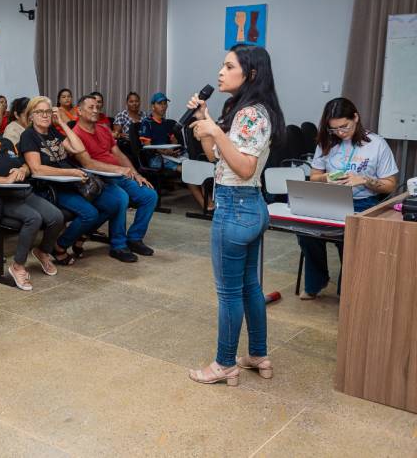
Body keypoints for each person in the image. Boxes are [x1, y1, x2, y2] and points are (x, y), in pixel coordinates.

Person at [185, 43, 286, 386]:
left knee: (229, 293)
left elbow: (244, 168)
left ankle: (224, 363)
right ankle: (258, 354)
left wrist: (215, 130)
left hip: (235, 206)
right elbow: (216, 156)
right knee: (249, 287)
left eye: (229, 66)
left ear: (251, 73)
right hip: (250, 206)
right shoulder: (242, 109)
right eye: (222, 65)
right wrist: (205, 120)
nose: (220, 72)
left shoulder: (251, 114)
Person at [297, 97, 398, 300]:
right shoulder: (327, 141)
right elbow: (314, 177)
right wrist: (326, 177)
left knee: (351, 235)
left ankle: (348, 288)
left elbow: (390, 184)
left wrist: (365, 180)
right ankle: (317, 280)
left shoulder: (376, 144)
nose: (340, 133)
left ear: (356, 118)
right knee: (306, 231)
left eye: (345, 127)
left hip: (363, 202)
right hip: (331, 200)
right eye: (334, 129)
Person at [0, 108, 64, 290]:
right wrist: (5, 180)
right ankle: (18, 266)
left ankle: (42, 252)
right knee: (33, 218)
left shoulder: (7, 143)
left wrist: (22, 170)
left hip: (22, 193)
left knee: (56, 217)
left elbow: (24, 164)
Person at [19, 96, 119, 263]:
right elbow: (36, 169)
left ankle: (80, 237)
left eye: (48, 111)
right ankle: (60, 245)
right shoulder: (28, 136)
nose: (45, 115)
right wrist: (71, 172)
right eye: (40, 112)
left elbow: (78, 148)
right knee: (90, 214)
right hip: (51, 188)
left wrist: (62, 123)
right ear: (31, 116)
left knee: (111, 205)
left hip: (70, 183)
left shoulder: (52, 131)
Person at [73, 95, 158, 262]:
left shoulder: (104, 129)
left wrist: (136, 173)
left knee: (149, 195)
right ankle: (118, 246)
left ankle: (134, 238)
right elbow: (88, 164)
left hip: (118, 175)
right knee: (121, 198)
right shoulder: (76, 134)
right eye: (91, 107)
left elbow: (118, 154)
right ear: (79, 111)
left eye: (97, 107)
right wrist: (119, 169)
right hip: (98, 179)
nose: (96, 110)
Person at [139, 92, 211, 210]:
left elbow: (174, 141)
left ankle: (209, 202)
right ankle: (205, 205)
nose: (163, 106)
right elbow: (147, 146)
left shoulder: (167, 123)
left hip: (170, 156)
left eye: (165, 103)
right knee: (189, 171)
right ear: (153, 106)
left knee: (199, 168)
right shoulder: (147, 123)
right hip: (156, 158)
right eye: (160, 104)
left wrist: (174, 148)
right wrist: (164, 152)